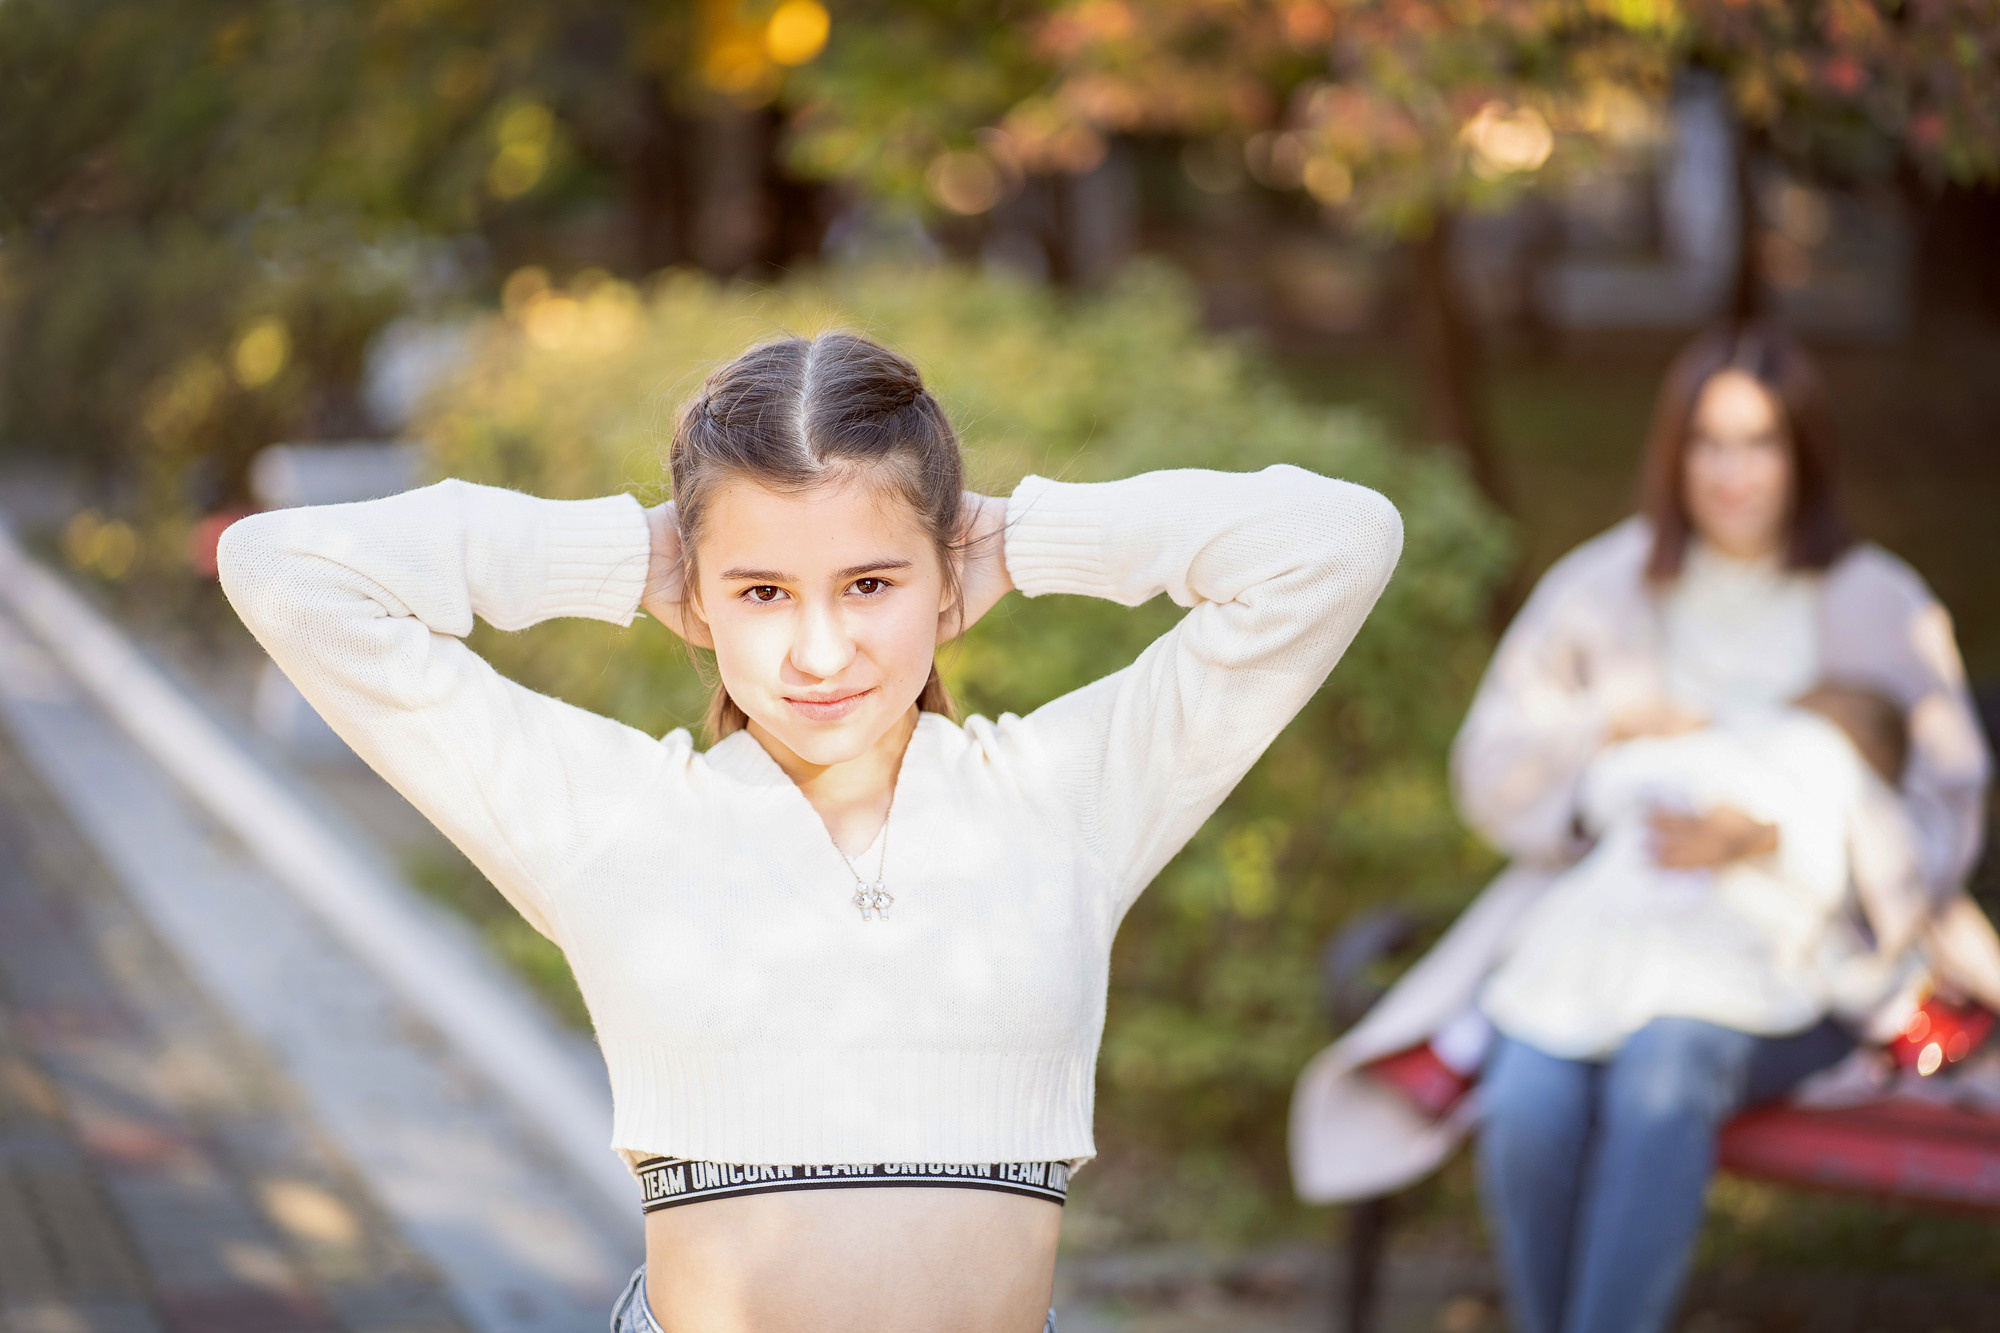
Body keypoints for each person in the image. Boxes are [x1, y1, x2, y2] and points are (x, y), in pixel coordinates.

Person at [219, 331, 1404, 1333]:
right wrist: (629, 555)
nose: (821, 652)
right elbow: (279, 567)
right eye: (762, 592)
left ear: (944, 580)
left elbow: (1335, 543)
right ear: (699, 596)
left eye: (871, 585)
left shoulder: (1064, 797)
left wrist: (1019, 539)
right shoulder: (610, 818)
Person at [1288, 321, 1999, 1333]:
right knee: (1529, 1098)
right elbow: (1490, 768)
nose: (1732, 473)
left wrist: (1777, 836)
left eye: (1759, 444)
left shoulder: (1877, 602)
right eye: (1708, 443)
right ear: (1674, 454)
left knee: (1662, 1070)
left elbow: (1939, 803)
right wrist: (1605, 741)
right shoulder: (1599, 588)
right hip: (1606, 931)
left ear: (1801, 455)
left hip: (1792, 953)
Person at [1481, 682, 1919, 1065]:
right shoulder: (1732, 730)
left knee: (1653, 1073)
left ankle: (1465, 1043)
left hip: (1710, 985)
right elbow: (1608, 790)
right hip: (1606, 955)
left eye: (1838, 695)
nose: (1817, 691)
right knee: (1539, 1078)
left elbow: (1844, 869)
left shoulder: (1833, 769)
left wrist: (1762, 836)